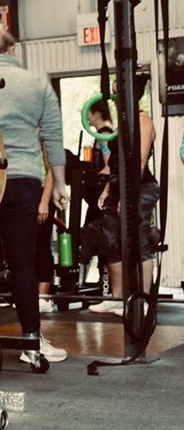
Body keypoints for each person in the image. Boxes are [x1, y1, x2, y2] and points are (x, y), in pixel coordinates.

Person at [0, 20, 69, 364]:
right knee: (22, 262)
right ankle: (31, 342)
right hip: (25, 179)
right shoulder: (35, 82)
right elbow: (53, 137)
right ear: (11, 49)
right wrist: (59, 185)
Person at [85, 86, 159, 316]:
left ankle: (144, 300)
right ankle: (117, 299)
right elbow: (117, 164)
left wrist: (128, 196)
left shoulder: (143, 120)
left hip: (141, 188)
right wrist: (108, 190)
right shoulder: (122, 125)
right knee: (109, 241)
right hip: (120, 187)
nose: (116, 102)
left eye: (120, 97)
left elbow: (139, 161)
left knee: (140, 241)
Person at [35, 145, 58, 314]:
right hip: (26, 193)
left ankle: (43, 298)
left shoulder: (42, 134)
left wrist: (44, 202)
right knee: (27, 248)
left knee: (41, 245)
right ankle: (30, 295)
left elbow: (51, 171)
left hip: (42, 194)